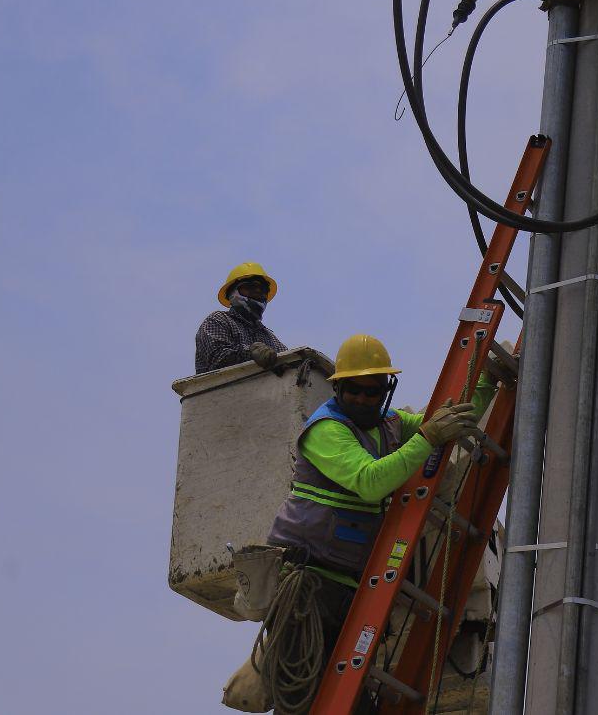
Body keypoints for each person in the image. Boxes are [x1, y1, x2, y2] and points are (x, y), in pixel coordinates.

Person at [261, 333, 487, 712]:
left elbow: (450, 419)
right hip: (307, 583)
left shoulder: (390, 424)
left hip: (351, 588)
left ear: (387, 389)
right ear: (339, 388)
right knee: (301, 700)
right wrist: (428, 437)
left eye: (373, 391)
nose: (365, 399)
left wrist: (485, 379)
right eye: (356, 391)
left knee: (351, 704)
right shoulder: (326, 430)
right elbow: (370, 482)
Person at [195, 262, 287, 374]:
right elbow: (218, 358)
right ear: (232, 292)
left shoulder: (269, 337)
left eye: (263, 289)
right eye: (251, 286)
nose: (258, 291)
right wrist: (251, 352)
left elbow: (289, 360)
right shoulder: (219, 320)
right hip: (224, 389)